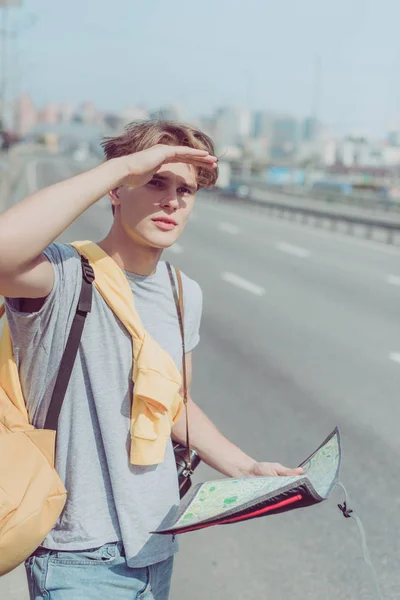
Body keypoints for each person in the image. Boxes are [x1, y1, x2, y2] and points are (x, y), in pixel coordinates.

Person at [0, 120, 303, 600]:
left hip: (157, 546)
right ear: (117, 189)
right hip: (78, 557)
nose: (172, 201)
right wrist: (125, 165)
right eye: (155, 181)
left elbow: (174, 404)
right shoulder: (62, 276)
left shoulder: (184, 293)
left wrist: (245, 469)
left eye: (185, 189)